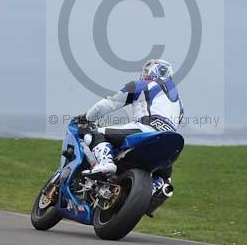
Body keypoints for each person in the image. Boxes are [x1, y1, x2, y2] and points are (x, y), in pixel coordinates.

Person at [76, 59, 183, 191]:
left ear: (153, 72)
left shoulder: (142, 85)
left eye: (146, 72)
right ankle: (158, 187)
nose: (145, 76)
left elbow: (109, 103)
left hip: (146, 130)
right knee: (164, 177)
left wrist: (86, 118)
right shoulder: (179, 104)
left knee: (97, 133)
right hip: (170, 143)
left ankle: (106, 162)